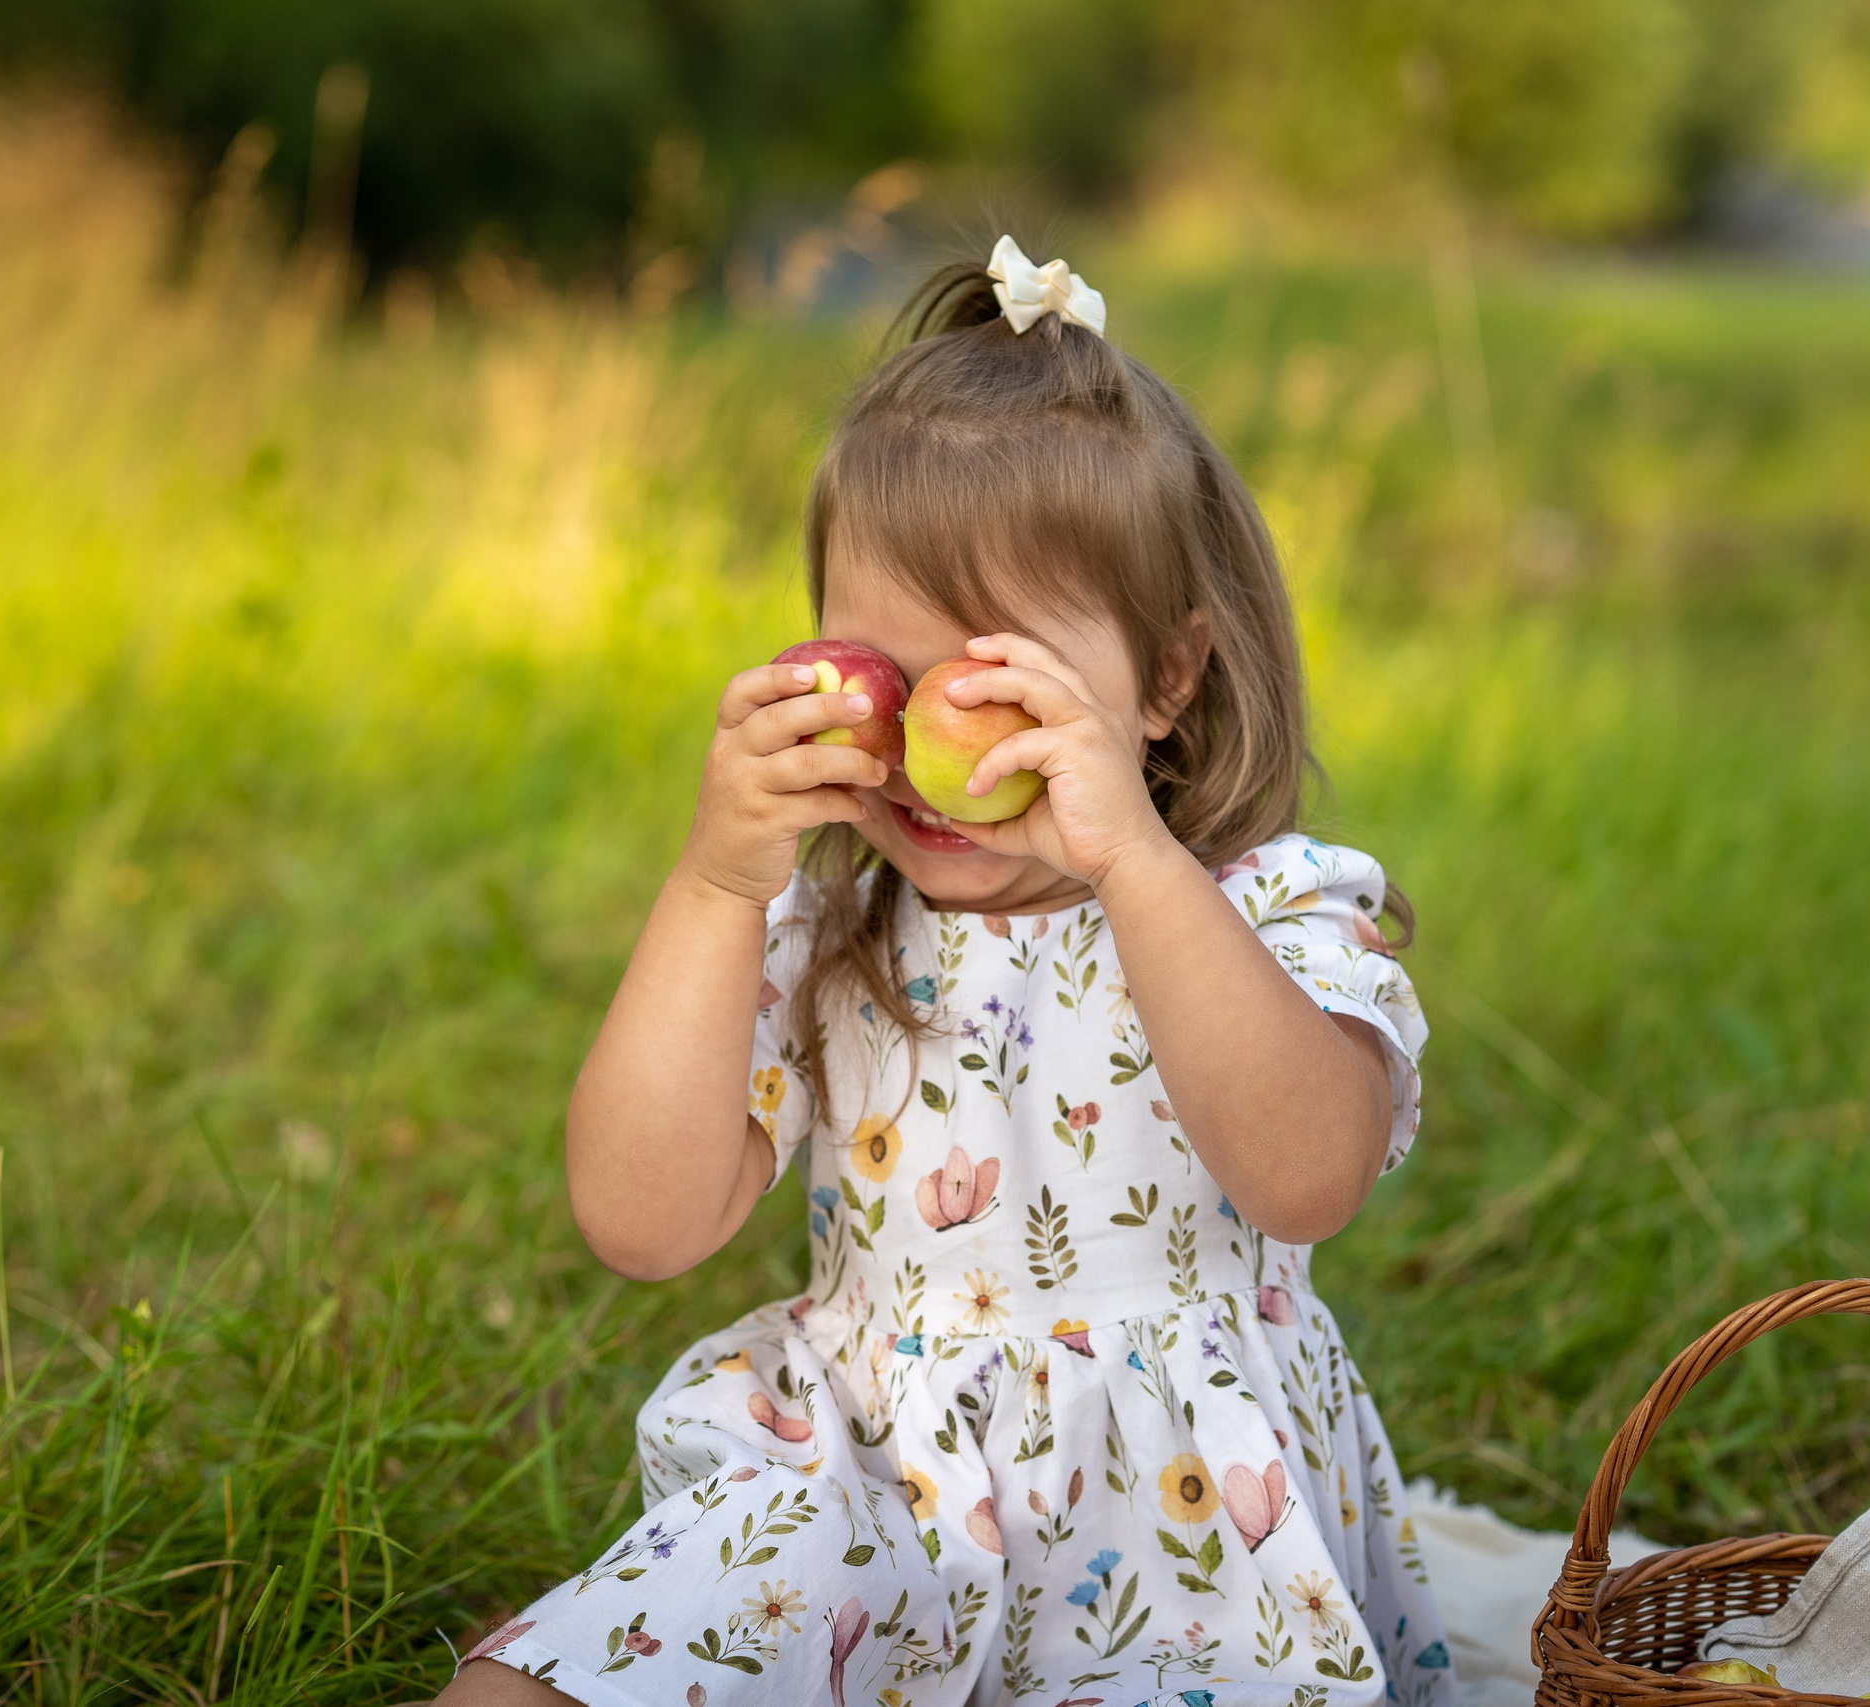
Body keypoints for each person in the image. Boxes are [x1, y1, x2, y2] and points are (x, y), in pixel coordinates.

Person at [440, 238, 1453, 1707]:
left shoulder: (1271, 911)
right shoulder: (832, 940)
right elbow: (640, 1222)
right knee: (562, 1676)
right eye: (886, 677)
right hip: (863, 1497)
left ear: (1167, 681)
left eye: (992, 687)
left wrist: (1140, 872)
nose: (929, 740)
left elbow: (1308, 1175)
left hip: (1180, 1537)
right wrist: (719, 881)